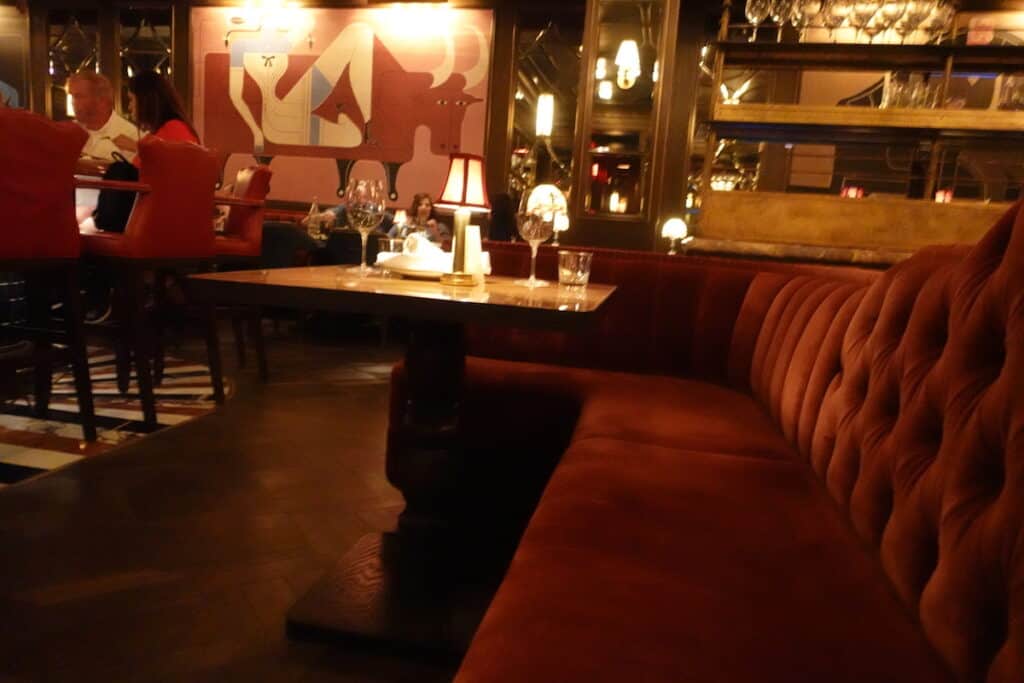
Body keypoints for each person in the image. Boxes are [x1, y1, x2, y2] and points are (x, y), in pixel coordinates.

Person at [115, 70, 199, 165]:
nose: (129, 107)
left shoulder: (174, 129)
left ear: (146, 101)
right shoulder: (164, 131)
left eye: (131, 99)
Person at [68, 72, 139, 166]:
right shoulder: (70, 132)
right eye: (72, 96)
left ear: (102, 100)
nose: (72, 103)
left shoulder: (131, 136)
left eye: (79, 97)